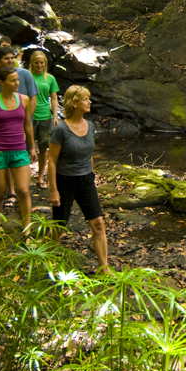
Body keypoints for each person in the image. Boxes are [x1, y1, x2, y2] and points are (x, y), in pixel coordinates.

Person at [48, 85, 110, 273]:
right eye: (85, 99)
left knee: (98, 224)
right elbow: (51, 161)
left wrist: (91, 176)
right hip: (65, 181)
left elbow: (89, 154)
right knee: (59, 226)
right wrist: (53, 190)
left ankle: (104, 269)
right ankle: (46, 258)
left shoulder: (90, 126)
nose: (89, 102)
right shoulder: (61, 129)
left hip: (85, 181)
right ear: (74, 103)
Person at [0, 66, 37, 233]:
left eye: (18, 79)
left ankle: (27, 230)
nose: (17, 83)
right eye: (13, 80)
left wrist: (32, 148)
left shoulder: (24, 99)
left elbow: (27, 125)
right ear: (2, 83)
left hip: (19, 150)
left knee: (24, 191)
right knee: (0, 192)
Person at [28, 50, 60, 190]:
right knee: (26, 147)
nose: (39, 65)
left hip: (45, 117)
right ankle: (24, 176)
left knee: (43, 148)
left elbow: (53, 98)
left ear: (45, 63)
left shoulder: (50, 78)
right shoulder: (27, 76)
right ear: (32, 63)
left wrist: (55, 116)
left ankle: (40, 177)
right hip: (29, 117)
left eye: (42, 62)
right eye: (36, 63)